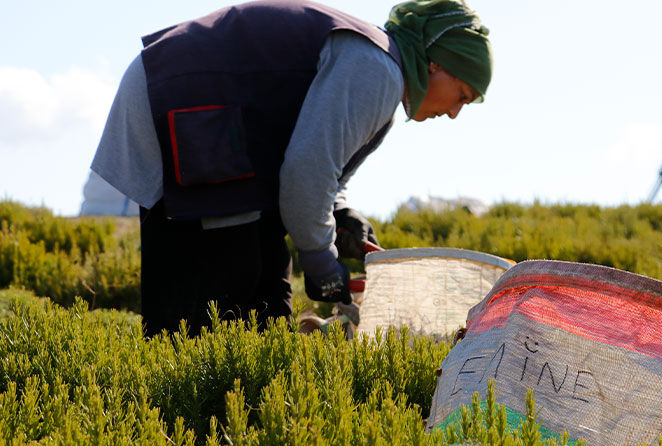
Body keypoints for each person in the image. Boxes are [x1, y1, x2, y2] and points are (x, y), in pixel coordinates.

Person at [90, 0, 493, 337]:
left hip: (201, 115)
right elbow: (305, 177)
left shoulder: (379, 69)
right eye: (462, 94)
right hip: (186, 106)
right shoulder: (377, 69)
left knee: (263, 304)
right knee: (214, 308)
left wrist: (339, 215)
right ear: (438, 64)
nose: (456, 113)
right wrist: (324, 267)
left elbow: (320, 174)